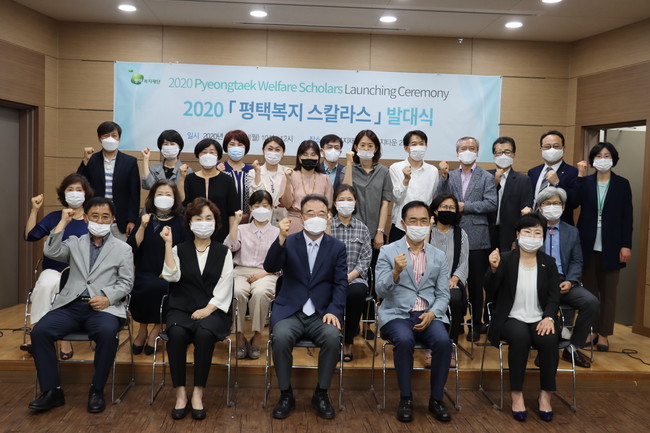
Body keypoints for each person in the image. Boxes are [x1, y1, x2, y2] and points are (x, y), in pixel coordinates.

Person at [28, 197, 134, 414]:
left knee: (107, 333)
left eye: (105, 217)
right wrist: (63, 223)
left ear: (113, 220)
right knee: (40, 332)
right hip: (71, 306)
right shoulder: (74, 242)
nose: (100, 221)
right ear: (85, 218)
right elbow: (51, 251)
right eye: (95, 216)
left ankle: (97, 390)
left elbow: (126, 283)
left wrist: (107, 298)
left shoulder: (123, 249)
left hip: (103, 308)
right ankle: (51, 391)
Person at [263, 194, 347, 420]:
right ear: (301, 217)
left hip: (322, 313)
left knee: (332, 337)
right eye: (310, 213)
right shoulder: (289, 241)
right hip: (290, 310)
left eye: (321, 213)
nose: (316, 217)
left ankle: (321, 393)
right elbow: (270, 266)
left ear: (328, 217)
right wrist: (280, 238)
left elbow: (341, 284)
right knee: (280, 337)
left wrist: (334, 310)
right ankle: (285, 394)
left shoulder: (337, 247)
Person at [375, 200, 452, 424]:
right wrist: (395, 272)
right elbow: (380, 290)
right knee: (404, 340)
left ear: (431, 222)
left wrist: (433, 313)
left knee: (443, 342)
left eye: (423, 221)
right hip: (396, 314)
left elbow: (443, 294)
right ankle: (406, 399)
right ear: (403, 224)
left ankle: (436, 399)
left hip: (428, 314)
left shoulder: (438, 255)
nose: (418, 225)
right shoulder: (388, 251)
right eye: (413, 221)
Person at [161, 197, 234, 421]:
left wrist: (208, 309)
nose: (204, 223)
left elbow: (225, 285)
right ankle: (180, 393)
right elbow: (171, 276)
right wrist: (167, 244)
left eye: (208, 218)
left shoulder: (223, 252)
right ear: (190, 222)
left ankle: (198, 393)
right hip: (181, 308)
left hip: (213, 309)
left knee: (204, 333)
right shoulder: (179, 249)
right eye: (198, 218)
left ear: (216, 222)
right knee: (176, 333)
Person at [485, 213, 560, 422]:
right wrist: (493, 269)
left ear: (543, 237)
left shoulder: (548, 263)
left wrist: (549, 317)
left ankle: (546, 395)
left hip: (539, 317)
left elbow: (554, 296)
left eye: (537, 233)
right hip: (510, 316)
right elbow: (490, 290)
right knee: (520, 337)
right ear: (518, 235)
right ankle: (516, 394)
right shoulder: (506, 259)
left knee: (549, 339)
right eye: (527, 232)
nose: (532, 237)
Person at [24, 173, 94, 359]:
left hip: (81, 275)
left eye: (79, 190)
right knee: (46, 284)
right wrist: (34, 210)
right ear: (64, 194)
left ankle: (64, 338)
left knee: (65, 289)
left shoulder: (91, 219)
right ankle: (36, 333)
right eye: (70, 189)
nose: (74, 193)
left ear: (86, 194)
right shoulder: (54, 217)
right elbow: (30, 236)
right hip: (53, 271)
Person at [575, 142, 633, 352]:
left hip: (612, 246)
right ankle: (590, 330)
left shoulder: (622, 184)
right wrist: (580, 176)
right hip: (587, 244)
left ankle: (604, 334)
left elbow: (627, 217)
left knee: (609, 294)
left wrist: (626, 245)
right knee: (589, 293)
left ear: (613, 159)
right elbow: (574, 201)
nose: (602, 159)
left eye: (607, 155)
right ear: (592, 160)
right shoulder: (586, 182)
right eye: (598, 156)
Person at [439, 136, 497, 341]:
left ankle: (475, 323)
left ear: (477, 152)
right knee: (453, 281)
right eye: (463, 148)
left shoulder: (486, 177)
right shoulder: (450, 176)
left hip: (477, 237)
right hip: (452, 235)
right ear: (457, 152)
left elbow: (491, 203)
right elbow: (440, 199)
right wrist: (443, 178)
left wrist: (465, 206)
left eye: (472, 148)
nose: (467, 151)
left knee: (475, 284)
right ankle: (455, 321)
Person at [536, 187, 599, 368]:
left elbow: (577, 260)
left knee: (591, 302)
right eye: (547, 203)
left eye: (556, 203)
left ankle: (572, 348)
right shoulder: (532, 229)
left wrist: (570, 281)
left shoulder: (572, 231)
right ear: (540, 207)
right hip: (539, 283)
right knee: (543, 306)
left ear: (563, 207)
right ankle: (545, 349)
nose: (552, 207)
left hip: (565, 281)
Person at [126, 179, 187, 355]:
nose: (164, 197)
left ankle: (157, 328)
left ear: (175, 198)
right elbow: (131, 247)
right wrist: (142, 227)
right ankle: (142, 329)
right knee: (143, 287)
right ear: (152, 197)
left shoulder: (181, 222)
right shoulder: (145, 219)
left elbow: (185, 251)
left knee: (161, 288)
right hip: (145, 270)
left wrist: (170, 270)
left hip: (170, 272)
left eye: (168, 194)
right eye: (160, 194)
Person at [224, 190, 279, 360]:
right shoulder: (242, 229)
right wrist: (236, 222)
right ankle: (239, 335)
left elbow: (282, 262)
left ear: (272, 208)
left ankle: (257, 335)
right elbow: (230, 247)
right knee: (237, 291)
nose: (261, 209)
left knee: (261, 293)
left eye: (265, 206)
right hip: (241, 271)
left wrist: (264, 273)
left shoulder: (277, 232)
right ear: (250, 208)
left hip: (267, 273)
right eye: (257, 205)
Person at [327, 184, 372, 361]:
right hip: (330, 278)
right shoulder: (328, 226)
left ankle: (348, 342)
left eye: (349, 199)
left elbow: (366, 258)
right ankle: (332, 339)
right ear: (334, 203)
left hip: (355, 279)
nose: (345, 203)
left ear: (355, 203)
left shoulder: (362, 228)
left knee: (356, 292)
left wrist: (350, 276)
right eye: (341, 199)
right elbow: (322, 254)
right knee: (330, 291)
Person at [77, 121, 140, 240]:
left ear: (119, 138)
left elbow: (134, 194)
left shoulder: (130, 162)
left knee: (121, 250)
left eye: (114, 135)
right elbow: (79, 183)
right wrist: (85, 161)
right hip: (96, 219)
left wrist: (132, 220)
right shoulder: (92, 159)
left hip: (120, 221)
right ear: (99, 138)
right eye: (106, 136)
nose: (110, 139)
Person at [428, 194, 469, 365]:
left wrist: (455, 278)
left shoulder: (461, 234)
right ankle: (430, 346)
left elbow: (464, 262)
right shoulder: (428, 232)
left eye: (452, 208)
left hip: (452, 282)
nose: (448, 210)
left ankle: (450, 346)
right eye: (444, 207)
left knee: (454, 298)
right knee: (427, 298)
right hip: (428, 281)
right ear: (435, 210)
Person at [342, 129, 393, 254]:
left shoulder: (383, 171)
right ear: (356, 147)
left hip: (375, 232)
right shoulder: (347, 170)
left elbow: (385, 203)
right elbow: (346, 193)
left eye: (370, 146)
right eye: (362, 145)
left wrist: (380, 232)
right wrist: (349, 163)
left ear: (376, 148)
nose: (366, 149)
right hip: (351, 230)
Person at [183, 138, 238, 242]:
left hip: (221, 233)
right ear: (198, 155)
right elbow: (185, 206)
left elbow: (232, 212)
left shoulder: (227, 180)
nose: (208, 155)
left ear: (218, 156)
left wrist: (231, 237)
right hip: (195, 232)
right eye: (204, 152)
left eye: (212, 152)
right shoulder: (190, 179)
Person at [389, 130, 439, 243]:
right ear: (406, 148)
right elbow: (397, 199)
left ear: (426, 146)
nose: (418, 147)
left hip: (424, 226)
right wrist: (406, 180)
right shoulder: (396, 168)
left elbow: (433, 198)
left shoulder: (433, 170)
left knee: (423, 254)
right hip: (401, 225)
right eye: (414, 144)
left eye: (421, 144)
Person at [487, 136, 533, 251]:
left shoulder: (523, 180)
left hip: (510, 235)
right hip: (486, 234)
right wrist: (494, 184)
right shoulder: (485, 176)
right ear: (494, 155)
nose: (503, 155)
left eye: (507, 152)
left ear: (513, 155)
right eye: (499, 152)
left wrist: (517, 239)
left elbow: (525, 211)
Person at [280, 140, 333, 235]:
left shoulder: (325, 179)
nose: (309, 158)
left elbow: (328, 207)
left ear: (318, 157)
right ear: (299, 157)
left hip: (318, 222)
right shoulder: (290, 175)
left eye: (313, 155)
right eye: (305, 154)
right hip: (295, 221)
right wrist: (288, 181)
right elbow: (286, 204)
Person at [528, 130, 578, 225]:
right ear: (541, 149)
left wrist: (557, 183)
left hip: (560, 225)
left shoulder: (572, 172)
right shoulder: (533, 172)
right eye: (547, 146)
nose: (552, 150)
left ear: (563, 148)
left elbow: (574, 202)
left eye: (556, 146)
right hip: (535, 224)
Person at [141, 129, 191, 202]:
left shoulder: (186, 170)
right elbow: (148, 185)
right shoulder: (153, 168)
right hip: (155, 206)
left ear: (179, 147)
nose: (169, 147)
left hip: (177, 207)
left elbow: (184, 196)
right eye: (165, 144)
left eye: (172, 144)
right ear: (161, 147)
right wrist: (145, 160)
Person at [248, 136, 288, 225]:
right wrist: (258, 173)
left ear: (283, 153)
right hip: (259, 221)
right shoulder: (253, 172)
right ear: (263, 151)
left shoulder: (288, 172)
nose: (273, 152)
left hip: (282, 222)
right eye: (270, 149)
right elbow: (255, 197)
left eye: (277, 150)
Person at [220, 129, 254, 215]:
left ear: (246, 148)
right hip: (224, 217)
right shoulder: (219, 168)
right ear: (226, 147)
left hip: (247, 218)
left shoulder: (251, 170)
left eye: (240, 144)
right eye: (232, 144)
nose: (236, 148)